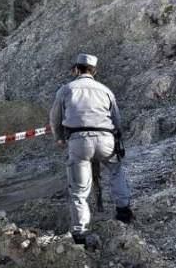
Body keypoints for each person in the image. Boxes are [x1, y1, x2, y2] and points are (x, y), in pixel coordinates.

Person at [49, 53, 133, 246]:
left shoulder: (66, 89)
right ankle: (124, 211)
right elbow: (117, 119)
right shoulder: (105, 90)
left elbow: (55, 118)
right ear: (94, 71)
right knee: (116, 171)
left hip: (79, 141)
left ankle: (80, 232)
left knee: (79, 189)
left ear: (76, 69)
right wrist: (116, 137)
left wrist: (59, 138)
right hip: (106, 139)